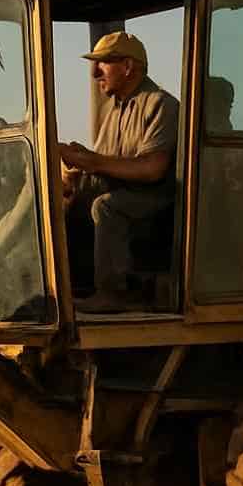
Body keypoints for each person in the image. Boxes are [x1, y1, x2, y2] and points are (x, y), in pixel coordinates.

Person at [60, 31, 180, 313]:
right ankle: (60, 286)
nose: (94, 73)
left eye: (103, 63)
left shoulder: (161, 105)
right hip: (124, 191)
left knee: (106, 207)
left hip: (156, 199)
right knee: (61, 202)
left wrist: (93, 162)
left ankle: (113, 294)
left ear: (127, 67)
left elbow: (153, 169)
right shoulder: (114, 112)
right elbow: (103, 163)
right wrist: (74, 171)